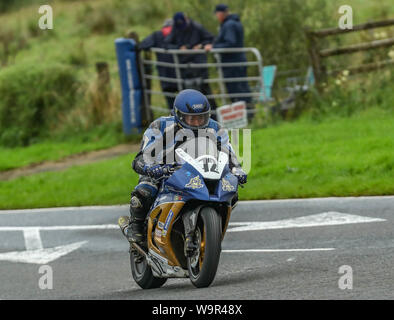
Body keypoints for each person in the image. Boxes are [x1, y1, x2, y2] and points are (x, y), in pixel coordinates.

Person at [118, 89, 247, 244]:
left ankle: (209, 224)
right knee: (145, 190)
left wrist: (236, 170)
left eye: (202, 117)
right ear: (178, 115)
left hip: (195, 171)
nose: (198, 123)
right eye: (192, 119)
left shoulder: (215, 128)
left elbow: (228, 153)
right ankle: (136, 226)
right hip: (161, 172)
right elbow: (140, 159)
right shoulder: (159, 126)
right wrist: (151, 168)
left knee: (230, 191)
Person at [164, 12, 218, 115]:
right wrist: (179, 48)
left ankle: (214, 117)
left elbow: (211, 38)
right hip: (185, 69)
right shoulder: (176, 28)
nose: (182, 28)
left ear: (187, 19)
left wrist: (202, 45)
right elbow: (166, 43)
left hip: (199, 67)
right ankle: (192, 119)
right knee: (189, 95)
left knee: (205, 92)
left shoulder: (197, 27)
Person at [206, 4, 254, 117]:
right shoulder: (235, 22)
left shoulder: (229, 25)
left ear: (221, 13)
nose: (217, 17)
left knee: (236, 90)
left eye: (217, 14)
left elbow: (230, 43)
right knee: (242, 87)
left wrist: (213, 48)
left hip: (232, 63)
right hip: (238, 61)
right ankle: (249, 115)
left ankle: (244, 116)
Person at [138, 19, 177, 109]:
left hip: (165, 76)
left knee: (171, 103)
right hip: (181, 75)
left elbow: (143, 45)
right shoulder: (180, 34)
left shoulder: (157, 35)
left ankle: (174, 119)